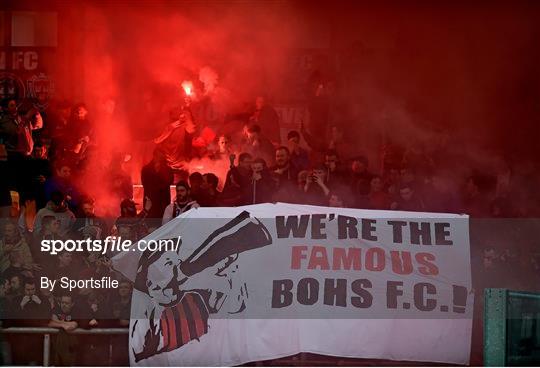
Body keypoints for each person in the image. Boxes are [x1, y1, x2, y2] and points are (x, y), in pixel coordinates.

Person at [141, 148, 174, 222]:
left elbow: (170, 181)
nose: (160, 157)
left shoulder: (167, 169)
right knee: (150, 225)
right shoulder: (146, 169)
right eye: (159, 155)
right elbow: (145, 184)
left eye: (161, 156)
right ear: (154, 155)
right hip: (150, 203)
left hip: (163, 203)